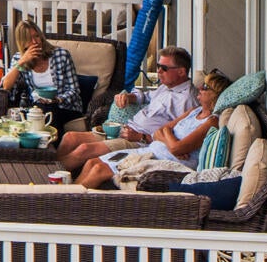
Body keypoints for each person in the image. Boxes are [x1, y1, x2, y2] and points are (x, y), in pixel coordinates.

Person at [76, 68, 225, 190]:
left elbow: (177, 149)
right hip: (151, 151)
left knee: (98, 169)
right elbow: (161, 132)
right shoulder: (194, 111)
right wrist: (169, 138)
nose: (199, 88)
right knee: (92, 162)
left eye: (205, 87)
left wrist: (168, 138)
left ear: (216, 96)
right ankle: (61, 194)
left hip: (165, 161)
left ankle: (65, 204)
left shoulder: (211, 122)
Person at [57, 46, 199, 172]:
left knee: (84, 149)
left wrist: (141, 137)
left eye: (164, 68)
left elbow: (177, 140)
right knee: (71, 137)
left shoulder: (187, 101)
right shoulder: (167, 87)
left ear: (181, 72)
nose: (159, 71)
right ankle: (53, 171)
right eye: (158, 66)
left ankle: (48, 182)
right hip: (124, 130)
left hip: (137, 141)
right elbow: (146, 96)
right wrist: (130, 97)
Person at [0, 24, 83, 125]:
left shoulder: (61, 55)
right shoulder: (19, 59)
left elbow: (74, 90)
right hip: (37, 109)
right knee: (38, 112)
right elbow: (6, 86)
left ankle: (47, 139)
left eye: (36, 36)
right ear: (22, 42)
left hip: (66, 107)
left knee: (47, 111)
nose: (35, 42)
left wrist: (57, 100)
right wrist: (21, 62)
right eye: (29, 39)